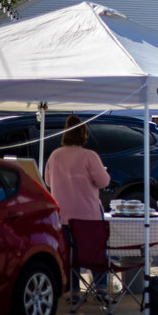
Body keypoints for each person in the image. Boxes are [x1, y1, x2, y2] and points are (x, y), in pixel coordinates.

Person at [44, 115, 112, 289]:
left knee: (70, 257)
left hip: (63, 216)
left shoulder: (55, 156)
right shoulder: (89, 156)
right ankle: (101, 289)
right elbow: (104, 182)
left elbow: (48, 182)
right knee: (95, 254)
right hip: (88, 216)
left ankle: (73, 291)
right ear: (83, 134)